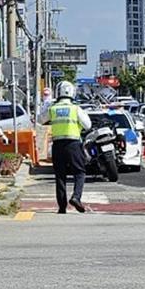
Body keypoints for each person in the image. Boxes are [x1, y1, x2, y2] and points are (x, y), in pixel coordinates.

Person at [43, 80, 91, 214]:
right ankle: (76, 197)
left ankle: (62, 207)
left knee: (60, 176)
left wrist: (47, 104)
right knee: (79, 172)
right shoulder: (76, 108)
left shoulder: (53, 108)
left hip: (58, 145)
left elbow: (41, 120)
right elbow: (88, 125)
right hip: (73, 144)